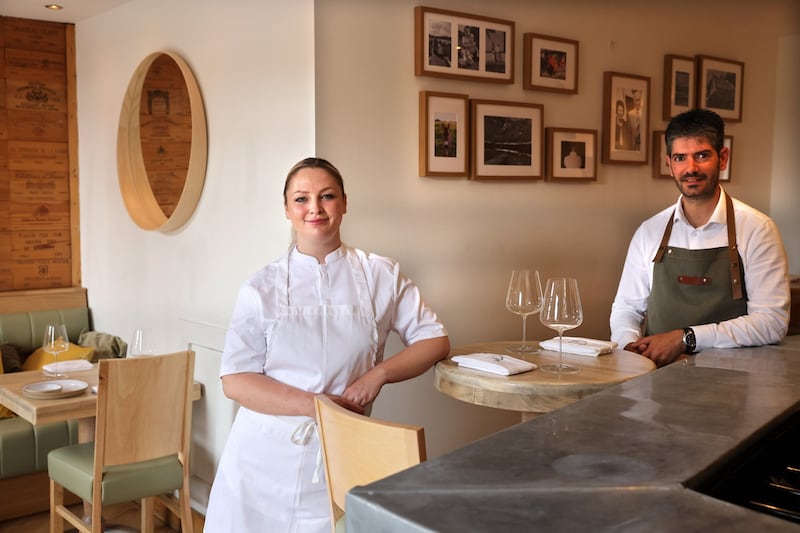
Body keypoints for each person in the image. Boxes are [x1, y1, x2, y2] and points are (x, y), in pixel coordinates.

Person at [204, 157, 450, 532]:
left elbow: (435, 340)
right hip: (261, 459)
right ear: (287, 209)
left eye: (327, 196)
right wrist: (314, 405)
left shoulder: (380, 274)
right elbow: (235, 379)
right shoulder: (260, 288)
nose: (315, 209)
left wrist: (379, 375)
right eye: (301, 199)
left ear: (345, 203)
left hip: (342, 451)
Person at [610, 109, 790, 367]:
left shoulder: (757, 229)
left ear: (723, 158)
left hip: (732, 380)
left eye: (702, 155)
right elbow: (626, 308)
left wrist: (686, 338)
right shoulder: (649, 232)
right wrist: (630, 346)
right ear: (669, 164)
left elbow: (771, 322)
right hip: (656, 377)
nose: (690, 168)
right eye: (680, 158)